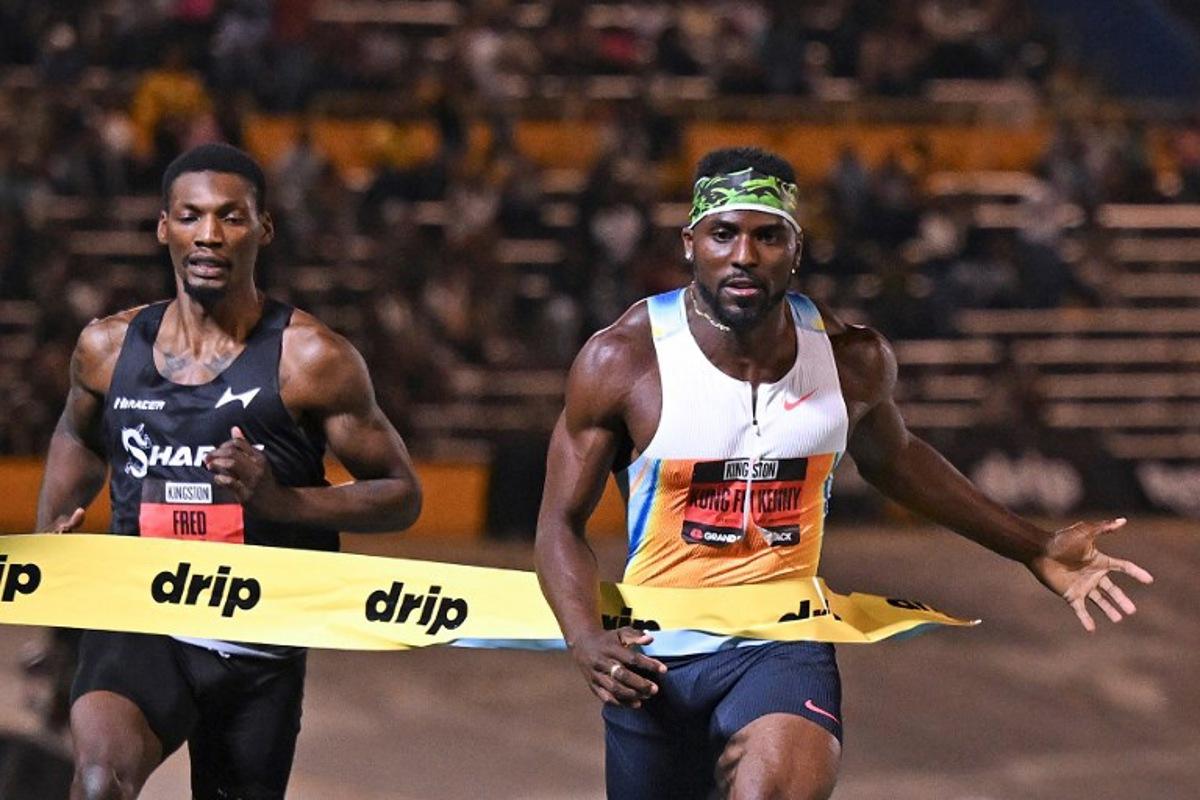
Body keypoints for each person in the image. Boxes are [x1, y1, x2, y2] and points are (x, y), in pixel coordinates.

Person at [533, 146, 1153, 800]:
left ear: (795, 248)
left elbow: (899, 461)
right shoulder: (623, 361)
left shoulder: (850, 360)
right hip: (652, 658)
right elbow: (559, 524)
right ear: (691, 244)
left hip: (780, 645)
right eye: (724, 234)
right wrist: (583, 638)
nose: (745, 255)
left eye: (768, 235)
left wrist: (1034, 545)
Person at [36, 142, 423, 800]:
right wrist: (52, 536)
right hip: (140, 617)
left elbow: (401, 496)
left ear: (263, 228)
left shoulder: (311, 360)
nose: (208, 235)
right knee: (100, 782)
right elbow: (78, 431)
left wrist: (280, 502)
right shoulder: (106, 349)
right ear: (164, 227)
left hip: (257, 637)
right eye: (190, 217)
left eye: (231, 217)